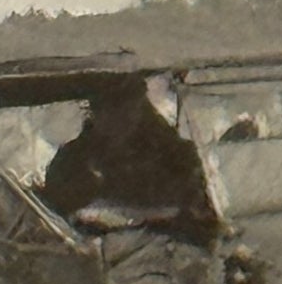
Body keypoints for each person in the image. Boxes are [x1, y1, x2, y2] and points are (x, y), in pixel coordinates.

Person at [41, 79, 214, 239]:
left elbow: (207, 218)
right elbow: (49, 225)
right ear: (93, 108)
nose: (116, 114)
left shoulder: (178, 158)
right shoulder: (70, 162)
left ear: (140, 104)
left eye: (124, 104)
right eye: (106, 105)